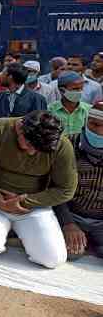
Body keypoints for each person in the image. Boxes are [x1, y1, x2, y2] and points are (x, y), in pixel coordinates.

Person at [0, 111, 76, 268]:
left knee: (53, 259)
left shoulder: (60, 145)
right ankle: (8, 230)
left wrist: (25, 201)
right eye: (29, 145)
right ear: (19, 127)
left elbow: (66, 189)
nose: (32, 152)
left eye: (39, 149)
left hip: (33, 206)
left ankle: (16, 231)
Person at [55, 103, 103, 259]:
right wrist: (67, 223)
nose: (99, 131)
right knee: (68, 254)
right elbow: (54, 188)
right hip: (71, 214)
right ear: (85, 121)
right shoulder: (67, 145)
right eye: (94, 124)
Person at [48, 70, 91, 137]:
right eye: (75, 89)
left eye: (81, 88)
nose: (80, 92)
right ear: (62, 90)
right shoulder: (49, 110)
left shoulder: (89, 110)